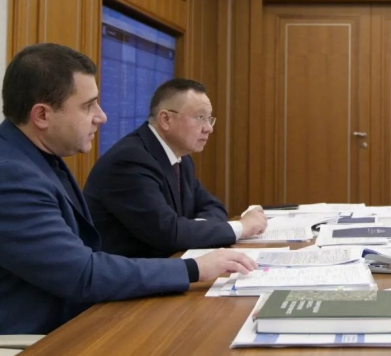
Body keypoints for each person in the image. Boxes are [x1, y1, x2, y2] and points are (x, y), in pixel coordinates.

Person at [0, 44, 257, 356]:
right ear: (42, 115)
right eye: (88, 106)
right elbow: (82, 273)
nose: (102, 116)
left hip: (76, 327)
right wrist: (194, 268)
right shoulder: (6, 177)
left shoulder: (33, 158)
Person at [84, 79, 267, 258]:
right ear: (166, 119)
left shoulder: (181, 158)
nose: (208, 128)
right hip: (130, 274)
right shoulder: (130, 161)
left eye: (209, 119)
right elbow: (168, 233)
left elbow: (213, 206)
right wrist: (242, 227)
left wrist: (193, 230)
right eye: (200, 118)